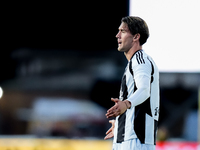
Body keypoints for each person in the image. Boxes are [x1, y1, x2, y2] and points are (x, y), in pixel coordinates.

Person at [104, 16, 159, 150]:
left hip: (136, 140)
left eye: (122, 31)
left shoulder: (141, 60)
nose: (117, 35)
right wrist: (121, 122)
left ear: (136, 37)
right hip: (126, 138)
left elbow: (144, 90)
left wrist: (126, 104)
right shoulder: (133, 62)